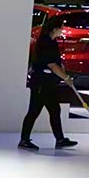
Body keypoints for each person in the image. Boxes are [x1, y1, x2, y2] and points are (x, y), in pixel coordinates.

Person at [19, 20, 78, 150]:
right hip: (41, 83)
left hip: (48, 83)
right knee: (34, 111)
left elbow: (56, 63)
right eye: (61, 28)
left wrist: (62, 69)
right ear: (54, 29)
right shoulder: (45, 43)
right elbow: (51, 65)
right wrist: (66, 78)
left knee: (55, 110)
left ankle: (60, 139)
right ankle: (24, 140)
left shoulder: (52, 42)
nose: (62, 30)